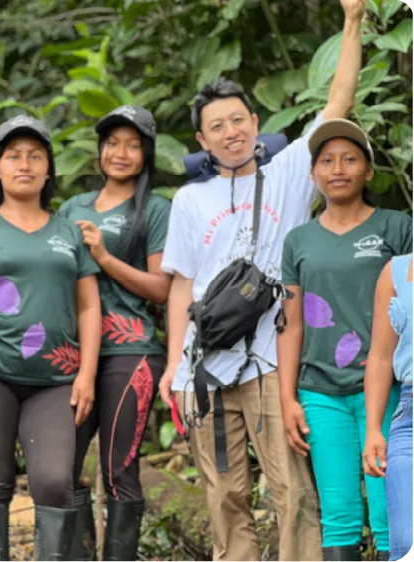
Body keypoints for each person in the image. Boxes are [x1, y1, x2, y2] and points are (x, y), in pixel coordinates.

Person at [158, 2, 365, 559]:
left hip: (271, 360)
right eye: (217, 127)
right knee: (224, 496)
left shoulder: (290, 172)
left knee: (292, 488)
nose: (230, 132)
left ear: (255, 123)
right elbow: (182, 286)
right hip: (204, 366)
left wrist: (351, 22)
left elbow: (338, 102)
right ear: (202, 140)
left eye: (238, 121)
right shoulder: (189, 201)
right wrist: (175, 367)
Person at [0, 115, 102, 561]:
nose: (25, 164)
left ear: (49, 169)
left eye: (35, 156)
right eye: (13, 156)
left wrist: (87, 376)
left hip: (56, 379)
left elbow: (89, 307)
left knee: (54, 481)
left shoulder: (68, 231)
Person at [279, 119, 412, 560]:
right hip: (320, 391)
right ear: (313, 173)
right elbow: (291, 324)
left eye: (350, 159)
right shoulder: (298, 240)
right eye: (327, 161)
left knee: (392, 511)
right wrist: (287, 398)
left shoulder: (397, 227)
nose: (338, 169)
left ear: (369, 171)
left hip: (389, 387)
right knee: (338, 515)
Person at [57, 105, 171, 560]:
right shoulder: (72, 208)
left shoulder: (156, 209)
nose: (120, 153)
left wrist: (104, 257)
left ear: (146, 154)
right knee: (61, 468)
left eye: (132, 145)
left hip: (132, 351)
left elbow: (162, 288)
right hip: (72, 355)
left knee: (118, 469)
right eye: (112, 143)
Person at [364, 253, 414, 562]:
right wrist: (373, 429)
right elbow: (381, 356)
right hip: (409, 418)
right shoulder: (396, 271)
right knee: (407, 542)